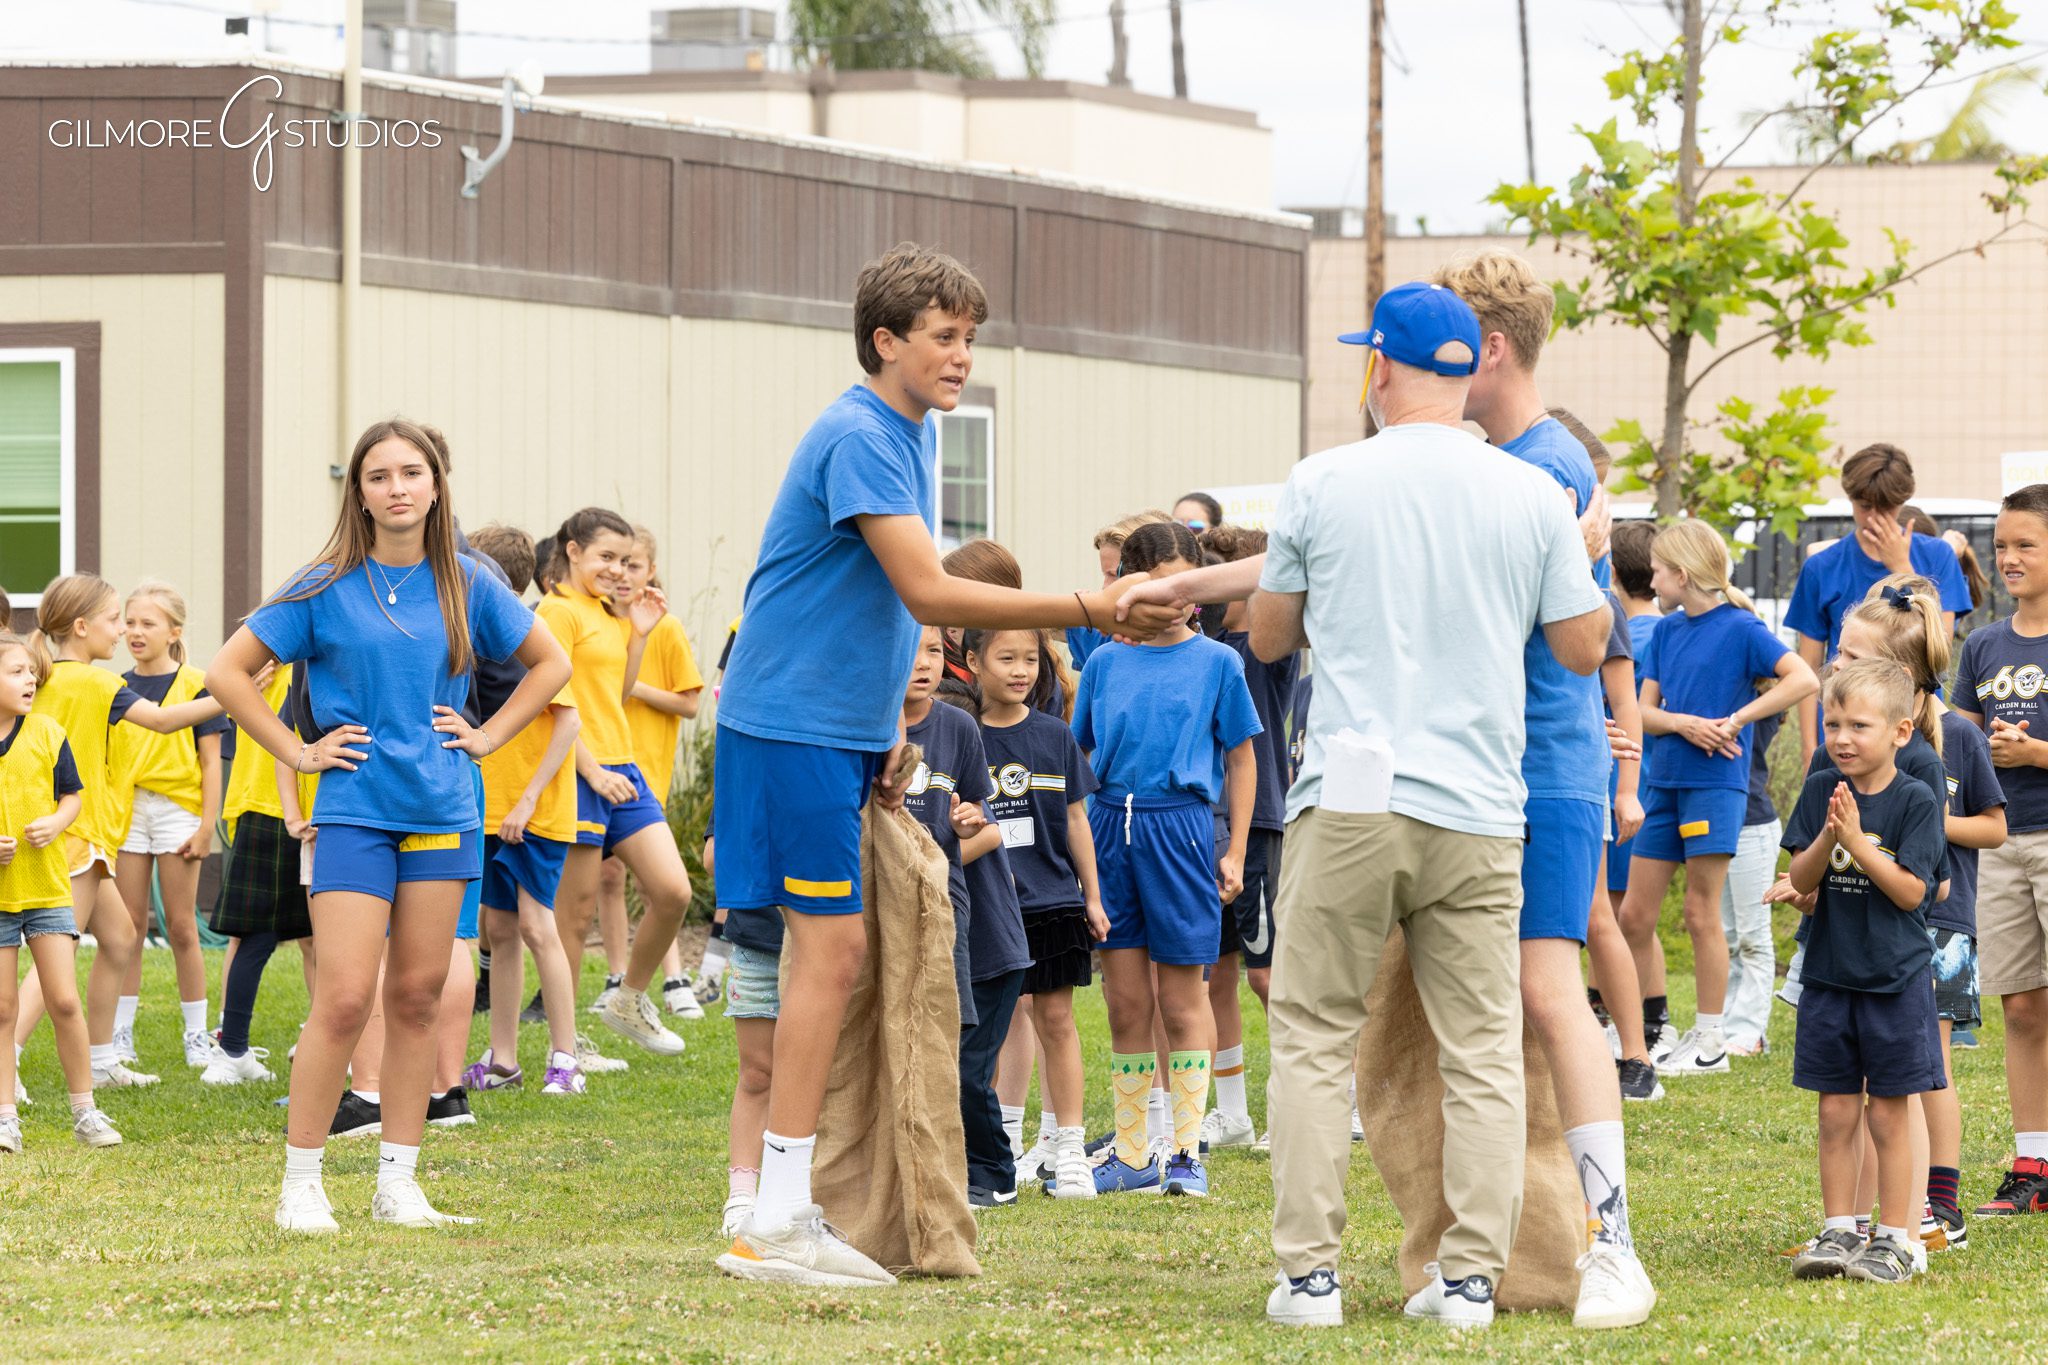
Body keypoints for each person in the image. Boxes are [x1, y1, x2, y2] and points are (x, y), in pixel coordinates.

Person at [1111, 280, 1614, 1329]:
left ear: (1378, 368)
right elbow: (1578, 647)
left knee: (1307, 1037)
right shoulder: (1528, 493)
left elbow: (1269, 639)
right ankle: (1469, 1280)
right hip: (1479, 801)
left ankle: (1308, 1278)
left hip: (1348, 795)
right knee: (1480, 1047)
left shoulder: (1322, 480)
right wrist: (1580, 543)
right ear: (1465, 367)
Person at [712, 241, 1148, 1289]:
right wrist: (1086, 611)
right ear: (885, 341)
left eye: (969, 338)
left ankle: (782, 1206)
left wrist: (880, 733)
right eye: (944, 337)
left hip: (829, 735)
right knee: (829, 958)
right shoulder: (862, 432)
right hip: (786, 730)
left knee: (836, 959)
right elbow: (929, 593)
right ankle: (772, 1217)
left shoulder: (903, 436)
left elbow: (863, 610)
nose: (960, 356)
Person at [205, 417, 570, 1234]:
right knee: (341, 998)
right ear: (359, 491)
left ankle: (398, 1182)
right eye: (380, 475)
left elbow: (553, 665)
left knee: (416, 998)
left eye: (412, 472)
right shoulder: (324, 580)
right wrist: (297, 752)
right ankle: (301, 1182)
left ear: (437, 485)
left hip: (444, 811)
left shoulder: (470, 582)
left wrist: (487, 736)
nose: (397, 487)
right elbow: (228, 672)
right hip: (353, 815)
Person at [1428, 251, 1660, 1330]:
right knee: (1480, 1008)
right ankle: (1489, 1251)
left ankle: (1612, 1246)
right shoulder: (1488, 459)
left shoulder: (1548, 464)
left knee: (1543, 990)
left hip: (1541, 773)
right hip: (1473, 768)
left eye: (1438, 346)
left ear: (1489, 350)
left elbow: (1573, 641)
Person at [1073, 521, 1260, 1201]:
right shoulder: (1102, 663)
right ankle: (1130, 1152)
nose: (1181, 600)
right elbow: (1081, 756)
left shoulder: (1219, 663)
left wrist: (1234, 848)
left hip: (1182, 833)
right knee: (1125, 1000)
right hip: (1110, 828)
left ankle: (1184, 1150)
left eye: (1190, 587)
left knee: (1183, 997)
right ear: (1128, 587)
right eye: (1163, 586)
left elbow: (1242, 758)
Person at [14, 575, 227, 1092]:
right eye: (115, 620)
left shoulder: (40, 678)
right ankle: (9, 1056)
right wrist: (234, 693)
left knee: (119, 938)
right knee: (55, 951)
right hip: (79, 835)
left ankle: (104, 1056)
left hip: (71, 833)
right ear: (82, 627)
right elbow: (163, 720)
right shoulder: (99, 684)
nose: (121, 631)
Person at [1620, 521, 1816, 1078]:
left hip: (1715, 788)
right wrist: (1683, 724)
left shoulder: (1742, 629)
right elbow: (1643, 710)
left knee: (1700, 913)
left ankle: (1709, 1044)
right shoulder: (1665, 632)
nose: (1651, 579)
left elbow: (1803, 679)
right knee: (1634, 915)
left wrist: (1734, 721)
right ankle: (1643, 1035)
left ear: (1681, 575)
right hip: (1663, 787)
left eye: (1658, 570)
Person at [1783, 659, 1947, 1284]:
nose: (1843, 737)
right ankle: (1837, 1229)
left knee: (1887, 1113)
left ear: (1901, 732)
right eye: (1832, 723)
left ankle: (1897, 1238)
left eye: (1859, 725)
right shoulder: (1823, 785)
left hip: (1894, 981)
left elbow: (1912, 892)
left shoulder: (1916, 798)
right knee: (1835, 1111)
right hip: (1829, 975)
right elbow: (1801, 879)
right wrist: (1830, 836)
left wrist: (1855, 837)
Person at [535, 507, 695, 1059]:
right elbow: (552, 702)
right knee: (575, 916)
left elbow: (616, 692)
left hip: (623, 768)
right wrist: (591, 772)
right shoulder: (557, 612)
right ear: (573, 550)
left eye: (626, 561)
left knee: (673, 891)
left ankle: (628, 1000)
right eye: (605, 557)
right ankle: (568, 1044)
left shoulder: (610, 614)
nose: (618, 570)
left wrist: (640, 637)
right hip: (579, 770)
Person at [967, 626, 1106, 1200]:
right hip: (990, 904)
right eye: (1006, 658)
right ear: (974, 662)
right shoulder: (963, 735)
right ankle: (1006, 1143)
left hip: (1054, 902)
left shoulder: (1055, 736)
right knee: (999, 1028)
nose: (1021, 670)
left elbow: (1076, 820)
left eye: (1030, 659)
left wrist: (1092, 898)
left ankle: (1070, 1150)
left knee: (1055, 1021)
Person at [461, 523, 588, 1099]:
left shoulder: (525, 639)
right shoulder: (478, 642)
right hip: (490, 811)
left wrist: (531, 798)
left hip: (532, 814)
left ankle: (566, 1057)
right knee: (499, 931)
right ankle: (503, 1059)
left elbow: (569, 719)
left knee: (539, 926)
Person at [1951, 483, 2048, 1218]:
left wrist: (2033, 751)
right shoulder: (1983, 643)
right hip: (2002, 843)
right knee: (2019, 1007)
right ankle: (2032, 1165)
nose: (2009, 558)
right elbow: (1957, 743)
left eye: (2026, 545)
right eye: (2002, 546)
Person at [896, 626, 1017, 1206]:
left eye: (933, 652)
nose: (923, 664)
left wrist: (969, 819)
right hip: (877, 903)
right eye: (909, 650)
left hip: (946, 906)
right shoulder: (863, 722)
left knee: (951, 1043)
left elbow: (982, 810)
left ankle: (976, 1173)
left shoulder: (959, 728)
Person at [1196, 525, 1298, 1149]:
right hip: (1202, 822)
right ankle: (1231, 1113)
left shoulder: (1264, 645)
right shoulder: (1197, 646)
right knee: (1218, 974)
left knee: (1269, 976)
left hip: (1254, 820)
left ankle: (1324, 1104)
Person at [0, 631, 122, 1151]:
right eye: (17, 672)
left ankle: (85, 1112)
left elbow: (72, 796)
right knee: (3, 1007)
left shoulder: (48, 732)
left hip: (48, 890)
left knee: (65, 1001)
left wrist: (55, 822)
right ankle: (5, 1116)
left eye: (32, 672)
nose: (31, 680)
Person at [1786, 444, 1972, 765]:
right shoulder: (1822, 567)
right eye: (1864, 506)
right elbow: (1810, 667)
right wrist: (1808, 748)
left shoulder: (1937, 556)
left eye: (1886, 508)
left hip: (1918, 729)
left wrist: (1901, 566)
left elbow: (1937, 652)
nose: (1873, 517)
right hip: (1847, 733)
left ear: (1903, 502)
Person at [109, 581, 231, 1070]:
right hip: (127, 812)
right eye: (130, 623)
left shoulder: (197, 684)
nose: (135, 632)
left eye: (148, 624)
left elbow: (211, 764)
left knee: (183, 927)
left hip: (178, 811)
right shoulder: (115, 687)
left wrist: (206, 827)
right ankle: (120, 1035)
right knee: (129, 927)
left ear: (173, 631)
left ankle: (196, 1034)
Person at [202, 661, 312, 1088]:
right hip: (269, 808)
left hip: (301, 807)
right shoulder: (266, 661)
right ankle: (231, 1048)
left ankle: (327, 1041)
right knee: (252, 935)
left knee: (318, 937)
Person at [615, 525, 706, 1019]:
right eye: (618, 562)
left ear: (651, 570)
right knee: (608, 882)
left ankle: (673, 980)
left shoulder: (662, 627)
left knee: (657, 884)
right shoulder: (605, 621)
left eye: (635, 564)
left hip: (646, 769)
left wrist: (634, 688)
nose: (625, 572)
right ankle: (615, 978)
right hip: (602, 767)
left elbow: (690, 705)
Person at [1603, 521, 1669, 1057]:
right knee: (1631, 913)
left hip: (1622, 780)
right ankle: (1651, 1014)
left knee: (1621, 910)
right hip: (1650, 780)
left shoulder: (1630, 633)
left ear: (1615, 573)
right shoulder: (1666, 630)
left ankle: (1644, 1022)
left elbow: (1632, 710)